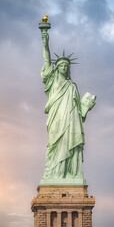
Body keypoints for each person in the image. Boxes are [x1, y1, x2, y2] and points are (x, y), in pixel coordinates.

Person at [40, 30, 96, 184]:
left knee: (70, 143)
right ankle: (55, 173)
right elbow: (46, 62)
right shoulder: (52, 81)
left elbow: (79, 109)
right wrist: (45, 43)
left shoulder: (72, 86)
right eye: (61, 65)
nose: (64, 67)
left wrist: (86, 106)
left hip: (71, 121)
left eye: (66, 65)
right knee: (55, 145)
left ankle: (70, 173)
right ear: (56, 68)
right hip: (57, 118)